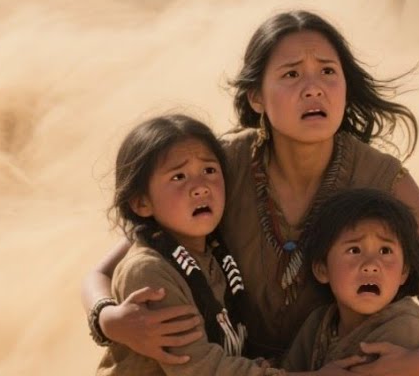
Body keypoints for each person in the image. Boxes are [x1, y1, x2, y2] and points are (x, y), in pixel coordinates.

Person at [83, 11, 419, 373]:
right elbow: (113, 267)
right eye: (291, 75)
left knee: (407, 322)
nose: (313, 89)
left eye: (327, 72)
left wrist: (413, 366)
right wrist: (108, 319)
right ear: (256, 97)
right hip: (221, 365)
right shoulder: (221, 167)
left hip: (325, 364)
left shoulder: (385, 183)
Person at [96, 114, 293, 376]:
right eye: (178, 177)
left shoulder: (213, 252)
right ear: (142, 203)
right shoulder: (148, 272)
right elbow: (198, 367)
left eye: (209, 171)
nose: (200, 187)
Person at [283, 189, 419, 371]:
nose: (371, 265)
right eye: (354, 250)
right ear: (322, 269)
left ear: (404, 272)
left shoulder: (405, 327)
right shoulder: (318, 323)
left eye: (385, 251)